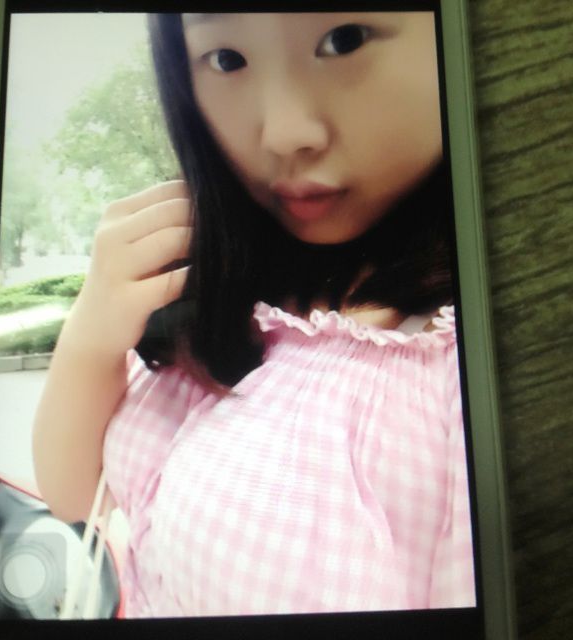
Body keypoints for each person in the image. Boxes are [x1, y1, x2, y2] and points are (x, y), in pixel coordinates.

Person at [33, 11, 476, 618]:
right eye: (227, 59)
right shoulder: (225, 288)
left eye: (344, 40)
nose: (284, 133)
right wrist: (92, 335)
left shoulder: (465, 360)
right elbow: (79, 499)